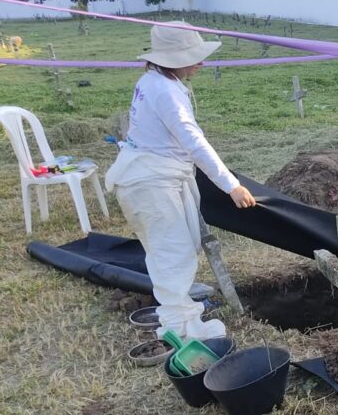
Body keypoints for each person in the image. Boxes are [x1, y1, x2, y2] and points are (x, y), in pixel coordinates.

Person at [105, 22, 256, 341]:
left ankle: (186, 321)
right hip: (150, 183)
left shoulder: (154, 80)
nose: (200, 61)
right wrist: (231, 185)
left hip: (151, 176)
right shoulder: (166, 91)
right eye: (193, 55)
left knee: (176, 250)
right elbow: (193, 141)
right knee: (171, 254)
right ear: (171, 59)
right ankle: (179, 331)